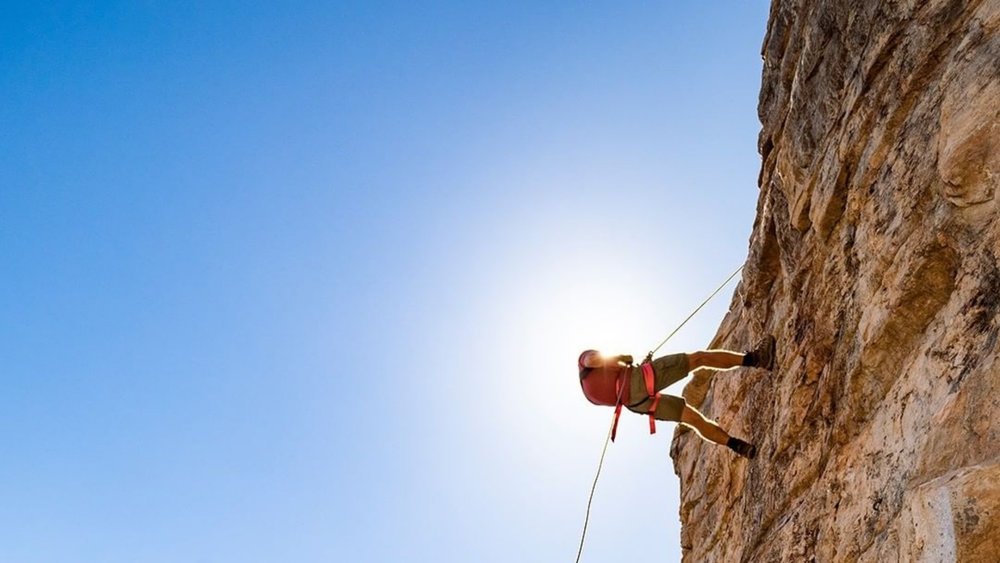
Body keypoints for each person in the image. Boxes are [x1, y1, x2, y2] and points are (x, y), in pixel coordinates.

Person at [578, 336, 775, 459]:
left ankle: (738, 446)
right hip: (639, 382)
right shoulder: (583, 360)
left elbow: (617, 391)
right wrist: (620, 358)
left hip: (638, 404)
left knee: (694, 420)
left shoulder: (589, 394)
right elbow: (593, 359)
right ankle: (755, 359)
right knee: (699, 358)